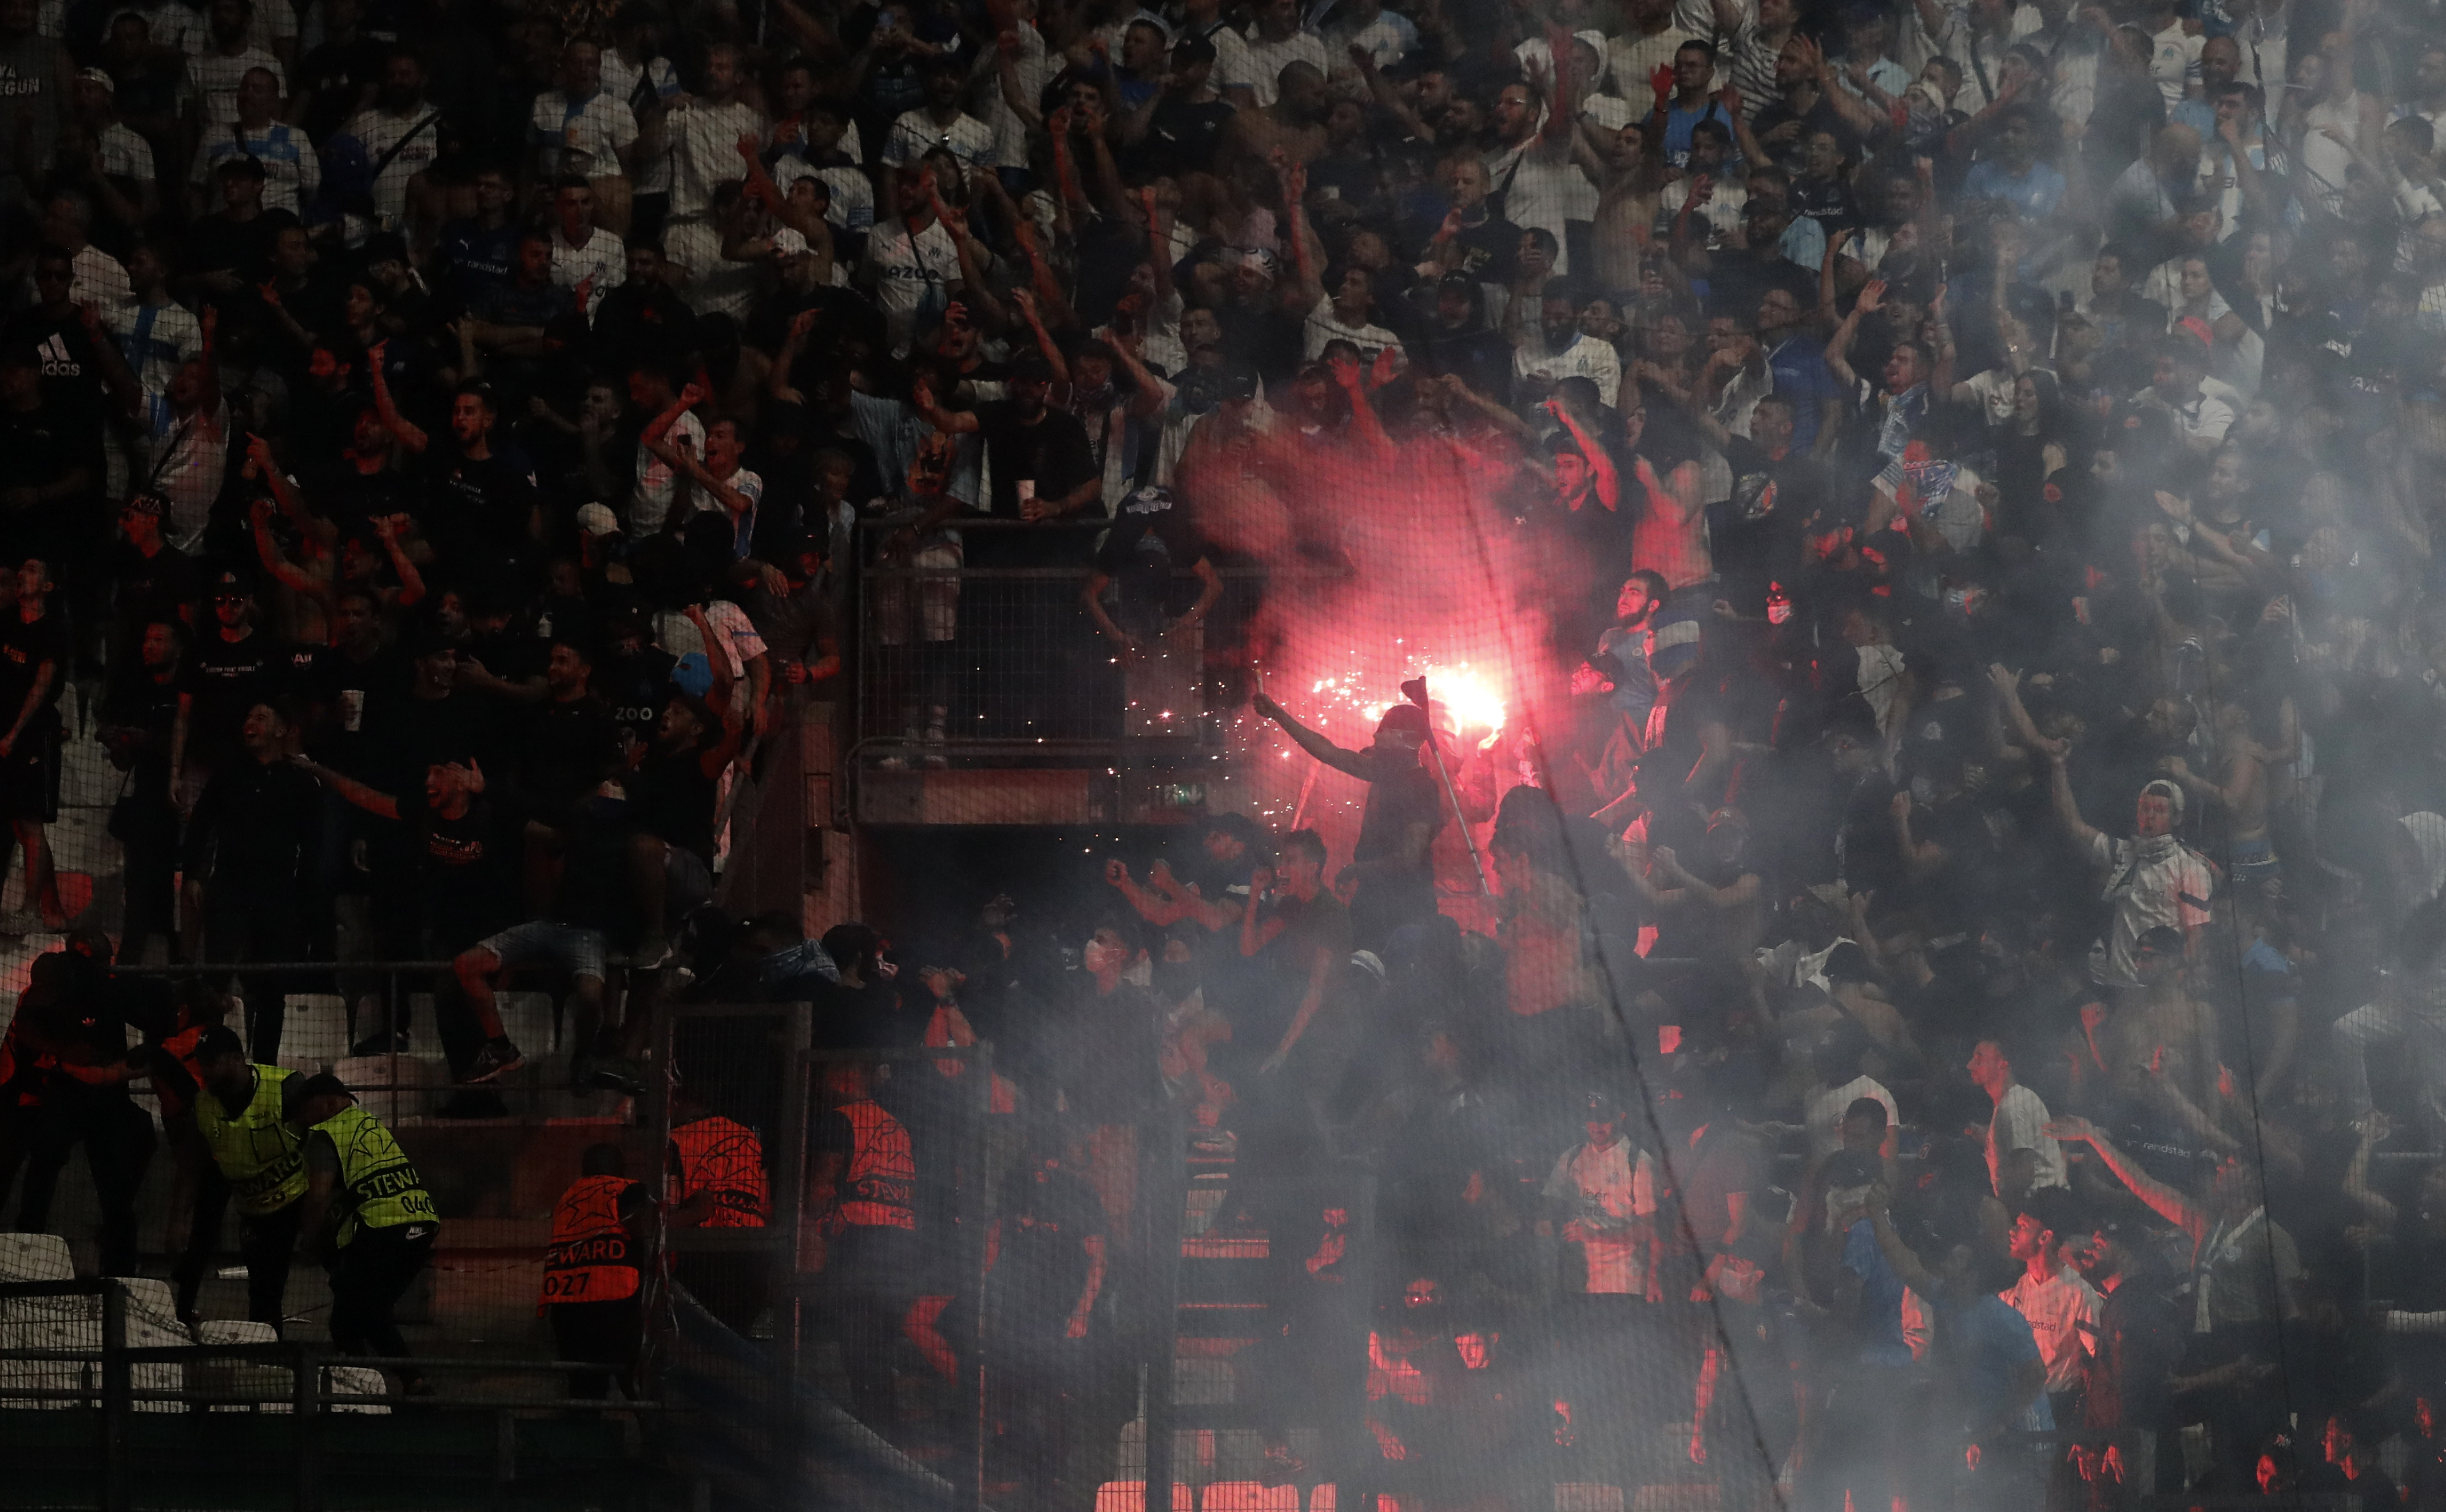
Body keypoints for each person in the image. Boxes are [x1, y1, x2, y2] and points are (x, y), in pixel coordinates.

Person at [1249, 694, 1446, 949]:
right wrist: (1279, 714)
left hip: (1407, 902)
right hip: (1373, 897)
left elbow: (1409, 858)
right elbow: (1329, 753)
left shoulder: (1421, 787)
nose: (1375, 737)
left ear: (1401, 738)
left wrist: (1358, 869)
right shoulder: (1382, 773)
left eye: (1382, 731)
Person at [288, 1071, 436, 1391]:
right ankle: (384, 1385)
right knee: (359, 1314)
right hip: (422, 1224)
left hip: (383, 1229)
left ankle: (394, 1386)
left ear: (327, 1102)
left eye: (304, 1110)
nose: (301, 1121)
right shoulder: (371, 1124)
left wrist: (310, 1241)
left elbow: (317, 1196)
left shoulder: (325, 1134)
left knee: (357, 1317)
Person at [169, 1025, 307, 1328]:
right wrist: (179, 1219)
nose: (204, 1072)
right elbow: (191, 1166)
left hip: (299, 1197)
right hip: (254, 1209)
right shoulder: (203, 1107)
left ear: (235, 1059)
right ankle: (266, 1357)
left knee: (295, 1278)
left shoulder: (286, 1088)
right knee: (262, 1289)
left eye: (211, 1063)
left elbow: (325, 1140)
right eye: (201, 1064)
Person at [542, 1142, 651, 1399]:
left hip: (566, 1305)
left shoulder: (568, 1197)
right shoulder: (626, 1189)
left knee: (583, 1389)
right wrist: (693, 1214)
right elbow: (643, 1228)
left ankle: (585, 1433)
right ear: (620, 1168)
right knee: (632, 1382)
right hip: (614, 1304)